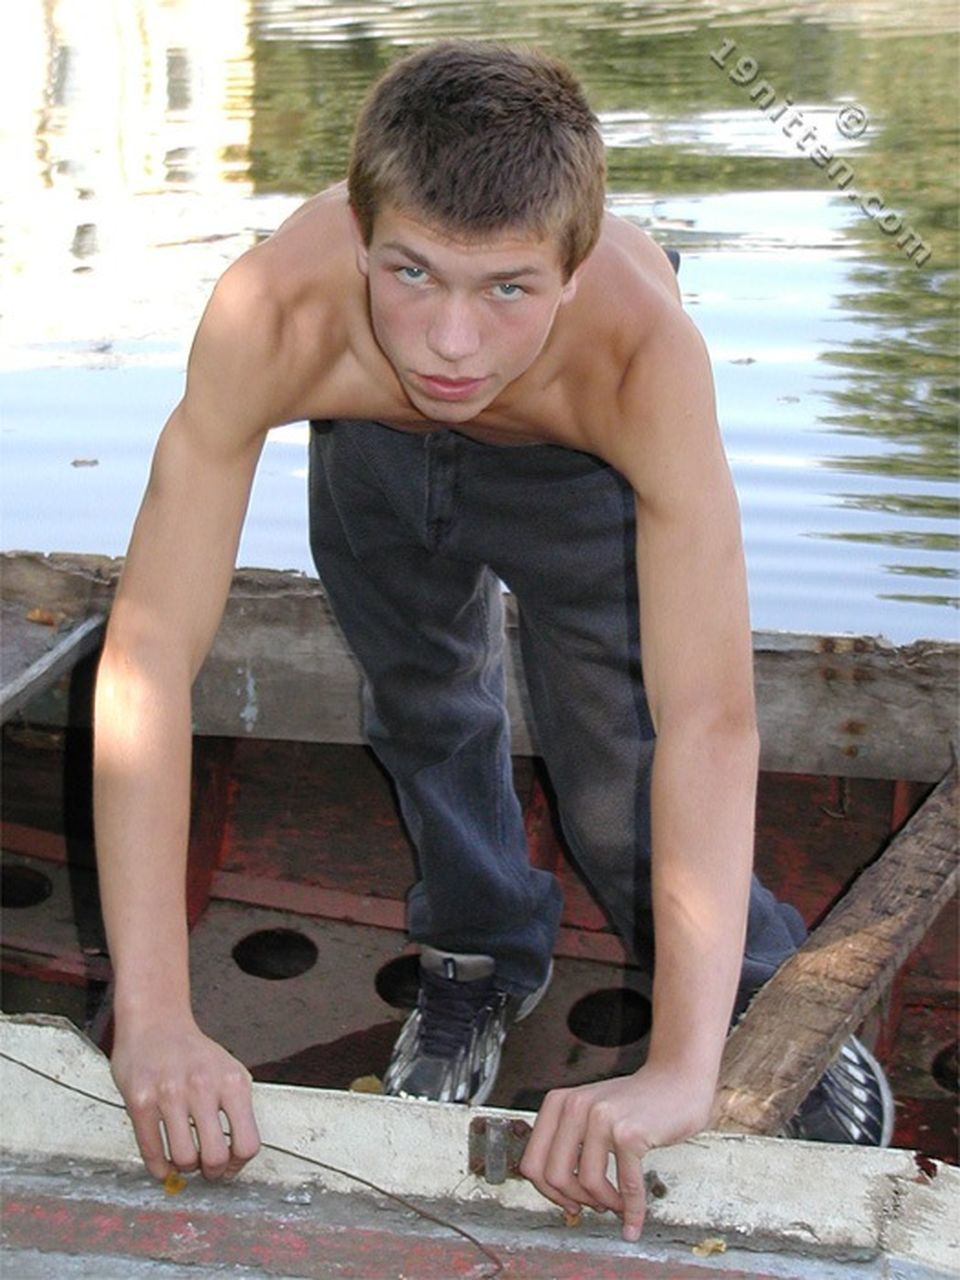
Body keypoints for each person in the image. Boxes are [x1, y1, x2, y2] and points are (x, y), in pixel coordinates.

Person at [93, 40, 893, 1243]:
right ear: (361, 237)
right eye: (411, 272)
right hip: (369, 445)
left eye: (508, 287)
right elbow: (149, 660)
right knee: (422, 702)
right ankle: (474, 955)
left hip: (571, 462)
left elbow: (709, 716)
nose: (450, 342)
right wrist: (155, 1017)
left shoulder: (640, 356)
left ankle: (743, 997)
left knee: (619, 755)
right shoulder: (275, 313)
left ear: (573, 269)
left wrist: (679, 1074)